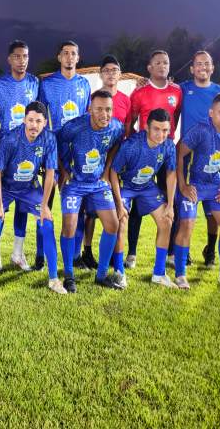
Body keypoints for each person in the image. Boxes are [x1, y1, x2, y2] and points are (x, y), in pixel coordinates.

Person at [0, 102, 64, 295]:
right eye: (30, 120)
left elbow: (51, 173)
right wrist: (0, 204)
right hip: (7, 187)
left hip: (29, 187)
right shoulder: (10, 139)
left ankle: (53, 279)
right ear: (24, 119)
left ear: (44, 123)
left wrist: (44, 205)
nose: (34, 125)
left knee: (47, 223)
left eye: (38, 121)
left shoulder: (49, 139)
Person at [174, 94, 220, 290]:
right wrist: (183, 185)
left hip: (215, 183)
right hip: (194, 182)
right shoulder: (200, 130)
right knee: (187, 224)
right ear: (211, 113)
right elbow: (179, 153)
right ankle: (180, 275)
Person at [57, 91, 125, 292]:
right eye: (99, 109)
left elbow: (117, 143)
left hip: (97, 183)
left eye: (108, 109)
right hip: (75, 183)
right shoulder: (75, 126)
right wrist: (63, 171)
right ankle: (69, 275)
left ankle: (102, 275)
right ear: (90, 109)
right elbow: (56, 142)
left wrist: (106, 169)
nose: (105, 114)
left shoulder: (116, 127)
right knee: (69, 225)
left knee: (113, 224)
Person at [36, 41, 91, 271]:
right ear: (59, 57)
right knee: (45, 202)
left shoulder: (84, 84)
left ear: (78, 58)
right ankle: (40, 255)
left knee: (78, 204)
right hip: (53, 149)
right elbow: (40, 117)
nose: (69, 57)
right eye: (66, 53)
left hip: (77, 151)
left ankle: (76, 253)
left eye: (74, 54)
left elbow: (87, 118)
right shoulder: (47, 84)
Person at [125, 49, 182, 270]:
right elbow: (131, 121)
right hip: (143, 153)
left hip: (166, 152)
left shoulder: (177, 91)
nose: (162, 65)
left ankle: (170, 253)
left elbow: (174, 116)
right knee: (137, 203)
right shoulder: (140, 93)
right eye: (157, 62)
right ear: (149, 67)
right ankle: (131, 253)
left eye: (165, 62)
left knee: (171, 202)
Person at [109, 108, 177, 288]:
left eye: (165, 130)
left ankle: (159, 273)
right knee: (121, 220)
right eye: (156, 129)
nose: (161, 134)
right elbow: (113, 172)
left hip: (147, 186)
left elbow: (171, 173)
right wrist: (118, 204)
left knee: (166, 221)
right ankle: (118, 272)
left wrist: (170, 205)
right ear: (146, 127)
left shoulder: (169, 145)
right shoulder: (131, 145)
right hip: (126, 186)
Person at [0, 40, 40, 271]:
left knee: (23, 204)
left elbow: (40, 117)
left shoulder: (34, 83)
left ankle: (18, 254)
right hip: (3, 151)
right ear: (9, 59)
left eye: (26, 56)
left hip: (27, 150)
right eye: (18, 56)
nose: (22, 61)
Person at [178, 50, 220, 267]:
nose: (203, 67)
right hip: (189, 154)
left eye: (206, 64)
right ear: (192, 69)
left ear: (212, 67)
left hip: (214, 155)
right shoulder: (184, 89)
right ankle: (183, 250)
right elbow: (165, 93)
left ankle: (210, 249)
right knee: (188, 203)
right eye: (198, 64)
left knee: (214, 206)